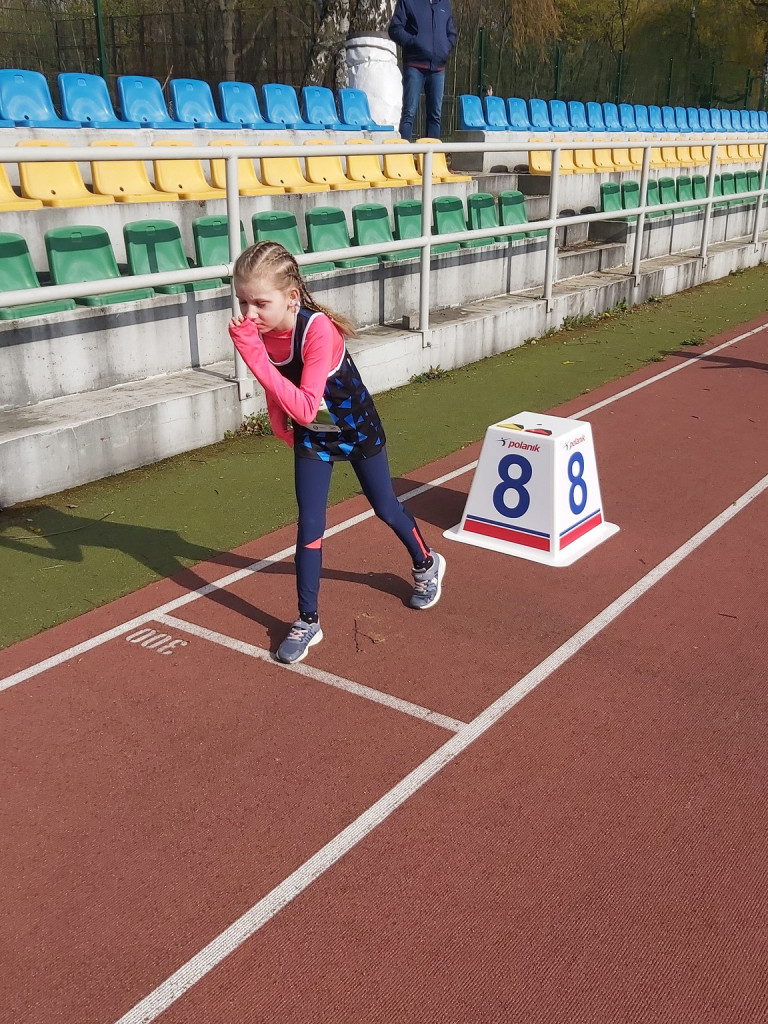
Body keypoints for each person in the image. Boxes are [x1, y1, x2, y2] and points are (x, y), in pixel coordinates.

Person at [228, 241, 446, 665]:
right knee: (309, 526)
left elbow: (306, 402)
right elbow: (281, 384)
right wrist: (277, 420)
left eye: (259, 303)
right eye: (242, 302)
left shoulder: (318, 330)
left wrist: (251, 354)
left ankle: (426, 562)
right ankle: (307, 619)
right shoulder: (264, 333)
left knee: (385, 506)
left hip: (355, 428)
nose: (249, 314)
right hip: (314, 436)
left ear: (291, 298)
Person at [388, 0, 457, 143]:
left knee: (435, 116)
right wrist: (413, 42)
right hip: (414, 66)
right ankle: (403, 157)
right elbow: (395, 28)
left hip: (438, 69)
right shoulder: (408, 2)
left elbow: (452, 33)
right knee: (409, 113)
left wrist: (446, 47)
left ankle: (431, 158)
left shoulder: (444, 4)